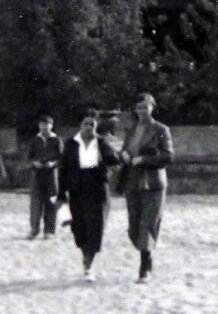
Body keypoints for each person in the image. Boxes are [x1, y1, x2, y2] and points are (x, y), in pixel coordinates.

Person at [119, 92, 173, 283]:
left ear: (152, 107)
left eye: (145, 107)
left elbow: (168, 156)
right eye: (138, 108)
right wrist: (124, 155)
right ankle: (145, 252)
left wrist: (144, 160)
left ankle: (145, 266)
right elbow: (125, 149)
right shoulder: (132, 130)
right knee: (134, 226)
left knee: (147, 223)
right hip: (133, 183)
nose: (141, 111)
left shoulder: (160, 129)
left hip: (153, 184)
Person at [61, 109, 120, 282]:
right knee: (79, 229)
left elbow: (115, 163)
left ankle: (89, 264)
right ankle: (85, 255)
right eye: (85, 124)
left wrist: (107, 174)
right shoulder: (71, 143)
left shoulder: (101, 143)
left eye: (91, 124)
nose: (88, 127)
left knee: (95, 227)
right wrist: (60, 193)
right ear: (80, 126)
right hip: (77, 191)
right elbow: (63, 169)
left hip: (97, 191)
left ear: (96, 127)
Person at [26, 113, 64, 240]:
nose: (44, 127)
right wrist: (33, 163)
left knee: (51, 202)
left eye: (47, 125)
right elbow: (28, 157)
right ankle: (34, 229)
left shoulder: (56, 140)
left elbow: (63, 158)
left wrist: (53, 163)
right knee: (35, 203)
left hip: (51, 175)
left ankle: (49, 230)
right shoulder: (35, 140)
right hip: (37, 174)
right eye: (42, 125)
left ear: (51, 126)